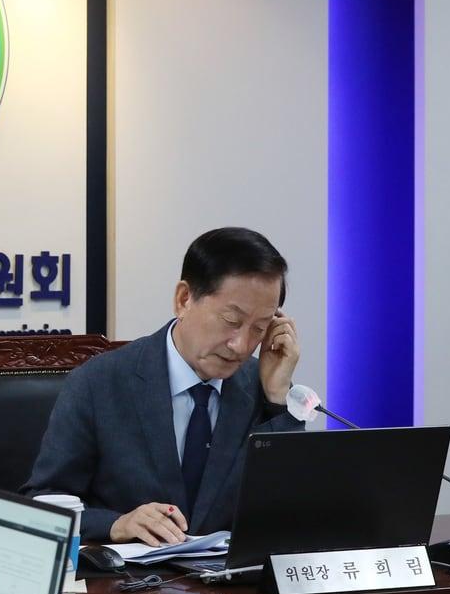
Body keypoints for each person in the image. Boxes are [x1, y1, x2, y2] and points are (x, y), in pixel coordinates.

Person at [23, 227, 305, 545]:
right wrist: (117, 524)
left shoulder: (263, 387)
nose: (241, 345)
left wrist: (279, 398)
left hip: (229, 577)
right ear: (184, 299)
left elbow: (295, 512)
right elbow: (44, 504)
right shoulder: (98, 382)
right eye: (231, 320)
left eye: (260, 328)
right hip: (129, 574)